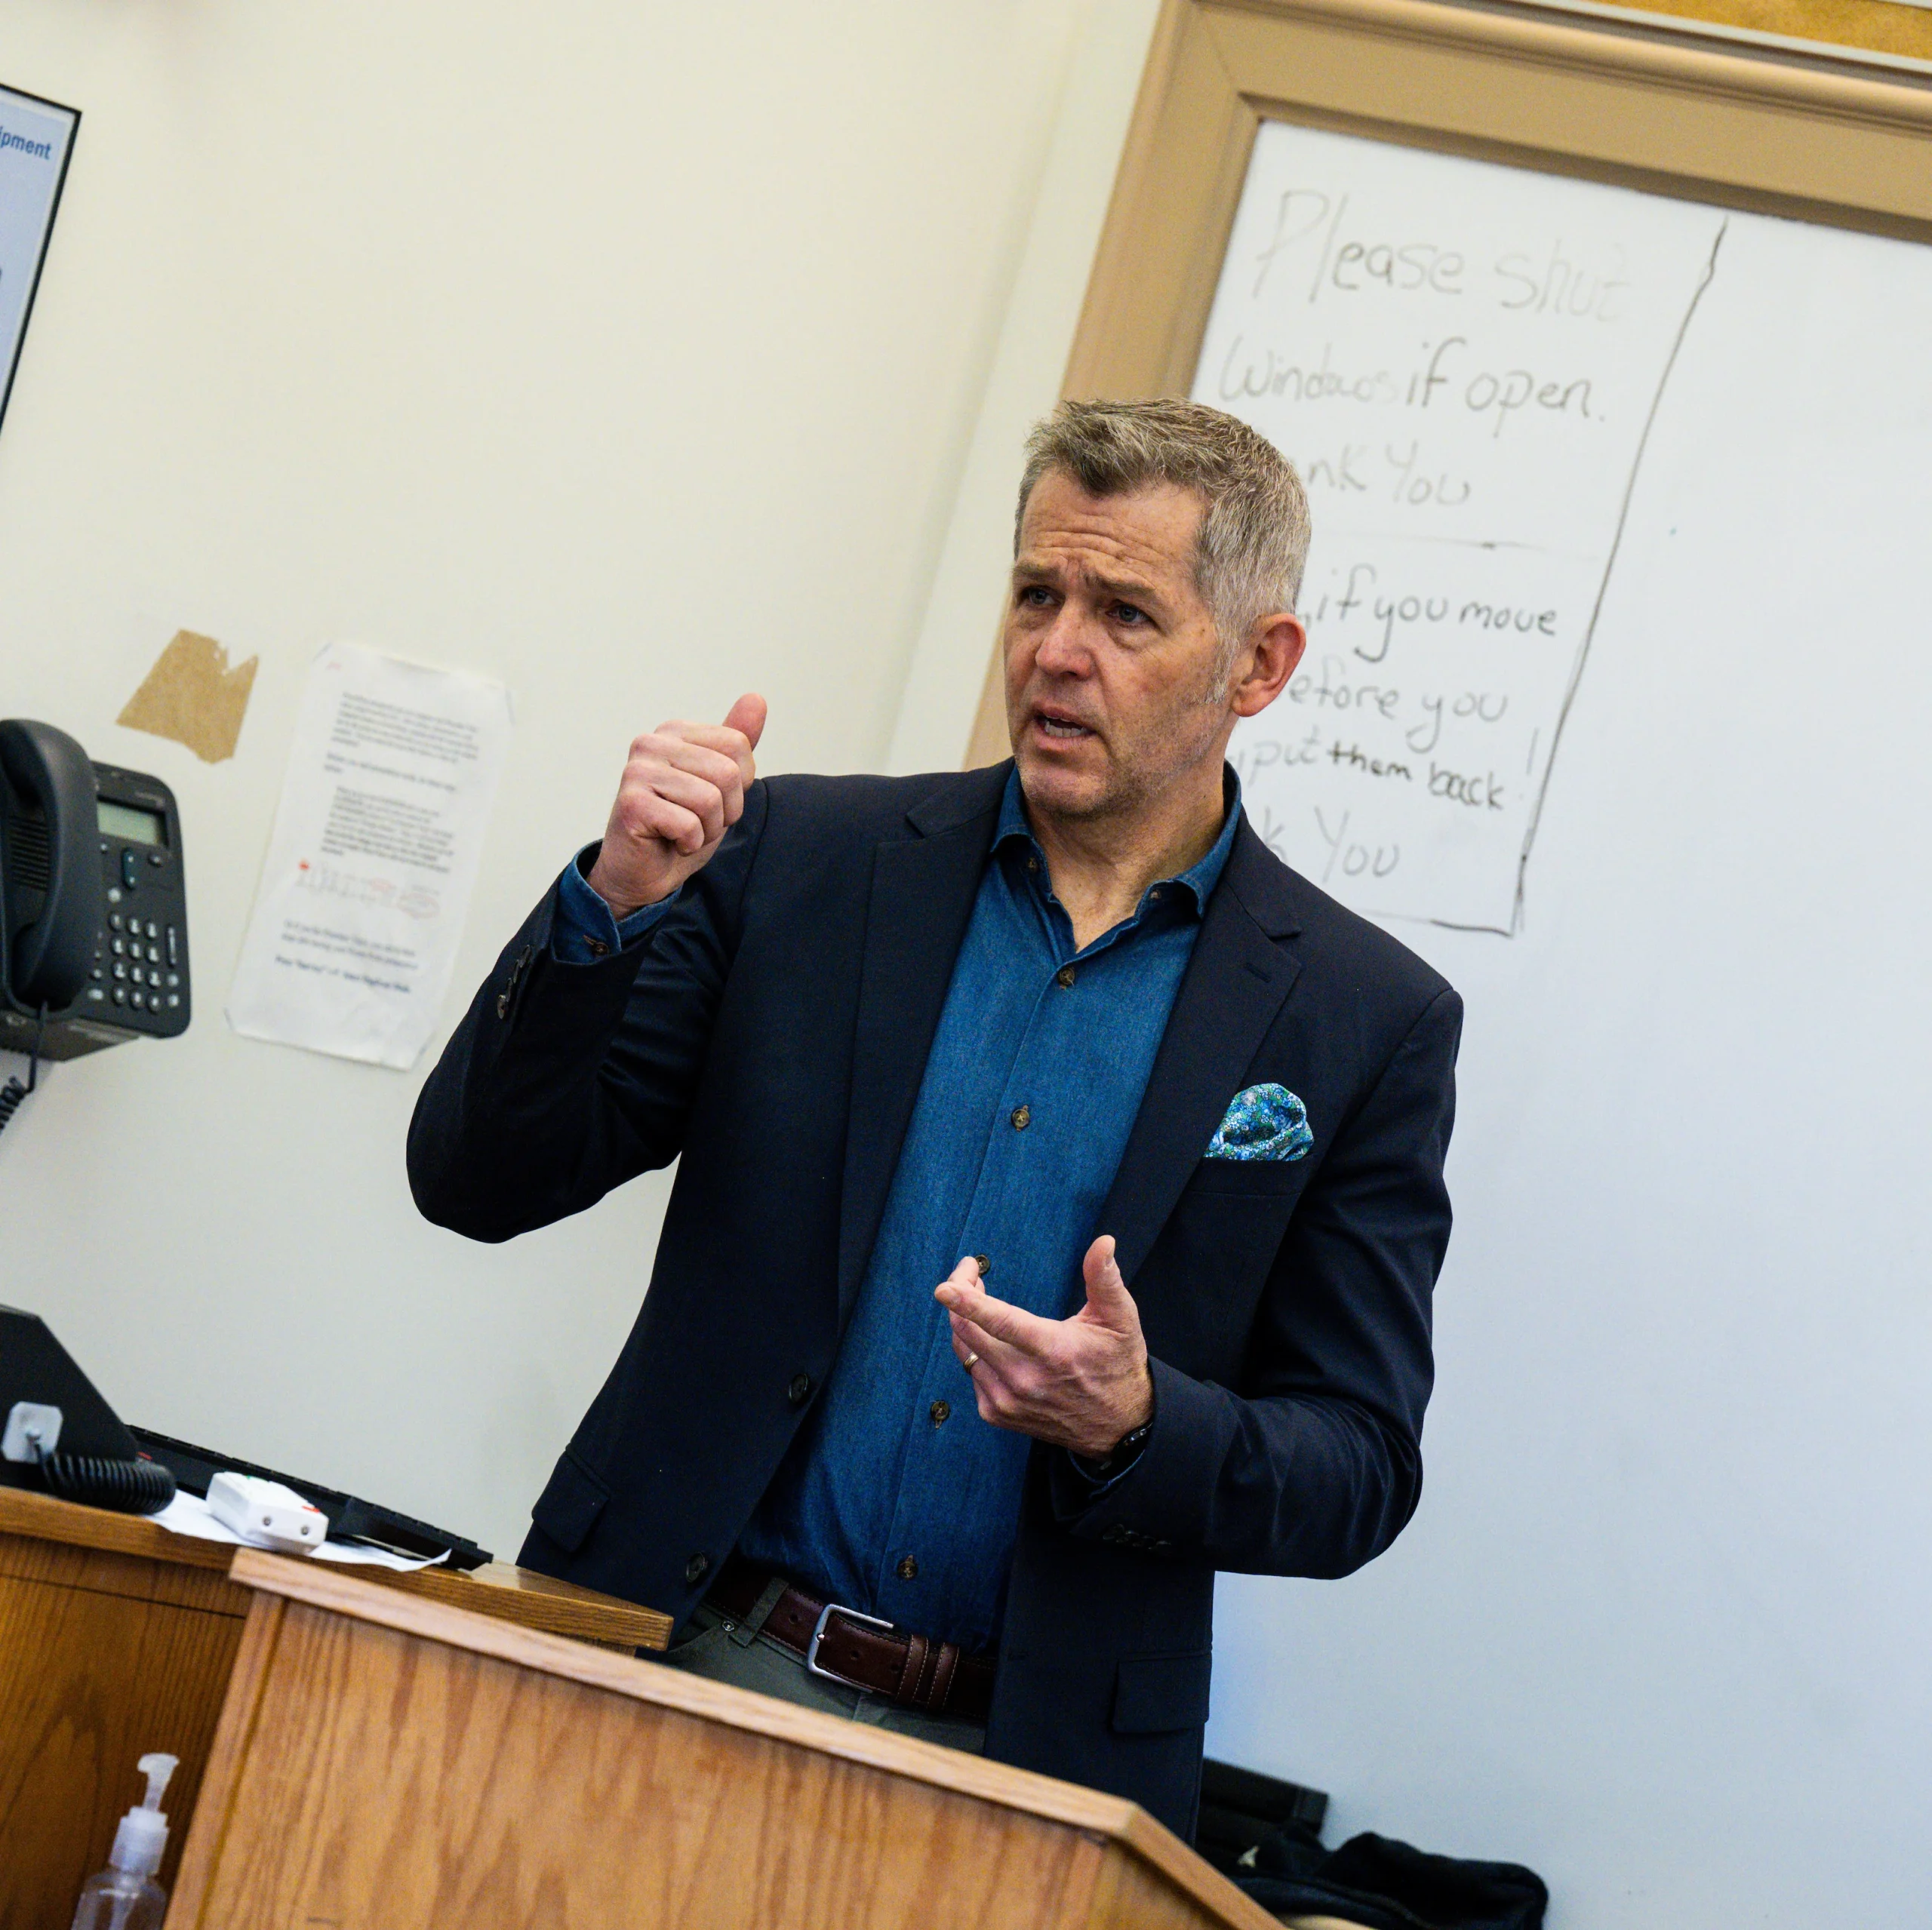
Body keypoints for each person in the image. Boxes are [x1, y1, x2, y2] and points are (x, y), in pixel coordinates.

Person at [408, 398, 1460, 1836]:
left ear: (1259, 664)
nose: (1057, 652)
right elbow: (479, 1178)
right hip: (681, 1660)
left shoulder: (1361, 1017)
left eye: (1127, 614)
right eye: (1038, 594)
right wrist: (618, 901)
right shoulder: (806, 862)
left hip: (1029, 1780)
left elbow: (1357, 1466)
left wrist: (1138, 1420)